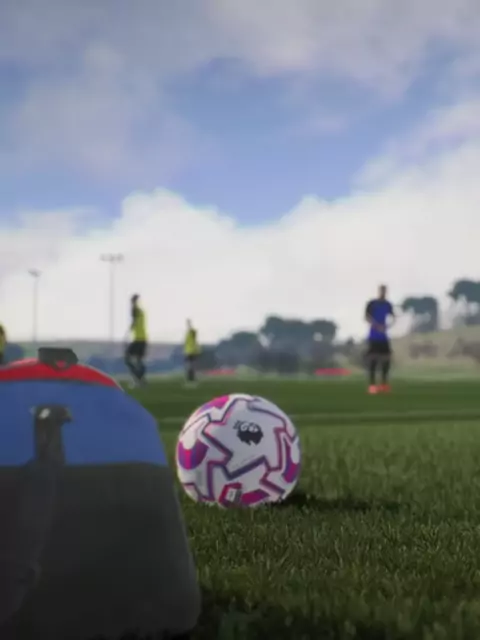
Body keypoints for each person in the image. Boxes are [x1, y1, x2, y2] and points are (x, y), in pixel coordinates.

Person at [364, 284, 395, 394]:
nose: (383, 293)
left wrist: (388, 326)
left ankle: (384, 384)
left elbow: (393, 317)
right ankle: (372, 385)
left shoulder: (388, 304)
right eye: (382, 291)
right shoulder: (372, 303)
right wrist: (376, 325)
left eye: (385, 291)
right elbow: (366, 317)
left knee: (387, 359)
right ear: (379, 291)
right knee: (373, 359)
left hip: (384, 336)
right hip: (373, 335)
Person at [125, 294, 148, 387]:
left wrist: (129, 331)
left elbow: (134, 320)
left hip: (138, 339)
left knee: (127, 358)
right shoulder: (141, 311)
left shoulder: (135, 310)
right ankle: (141, 380)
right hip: (143, 339)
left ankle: (137, 378)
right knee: (139, 360)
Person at [184, 319, 200, 385]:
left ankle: (191, 378)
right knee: (190, 365)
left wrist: (189, 324)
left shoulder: (192, 332)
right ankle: (190, 378)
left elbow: (192, 332)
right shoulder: (188, 333)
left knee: (191, 365)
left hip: (192, 351)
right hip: (189, 351)